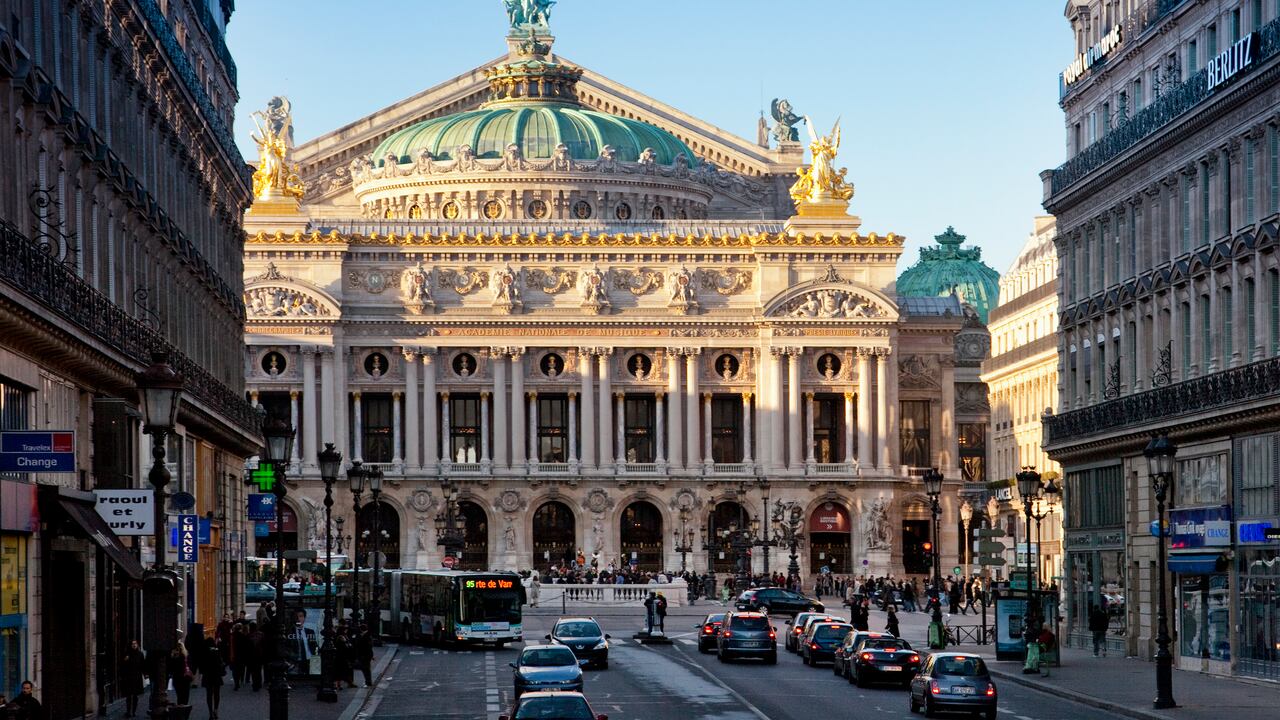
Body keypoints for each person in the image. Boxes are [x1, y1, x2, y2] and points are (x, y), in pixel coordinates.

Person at [121, 639, 147, 718]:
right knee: (129, 696)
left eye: (135, 643)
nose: (134, 645)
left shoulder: (140, 654)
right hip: (129, 677)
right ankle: (128, 711)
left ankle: (133, 711)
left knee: (135, 696)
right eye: (132, 644)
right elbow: (123, 666)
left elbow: (143, 665)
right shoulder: (127, 654)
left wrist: (145, 674)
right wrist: (125, 661)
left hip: (137, 677)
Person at [170, 641, 194, 706]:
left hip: (176, 679)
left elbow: (171, 669)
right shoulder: (186, 657)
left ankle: (180, 709)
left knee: (179, 696)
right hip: (185, 679)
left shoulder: (173, 657)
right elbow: (191, 666)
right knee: (185, 696)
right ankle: (184, 710)